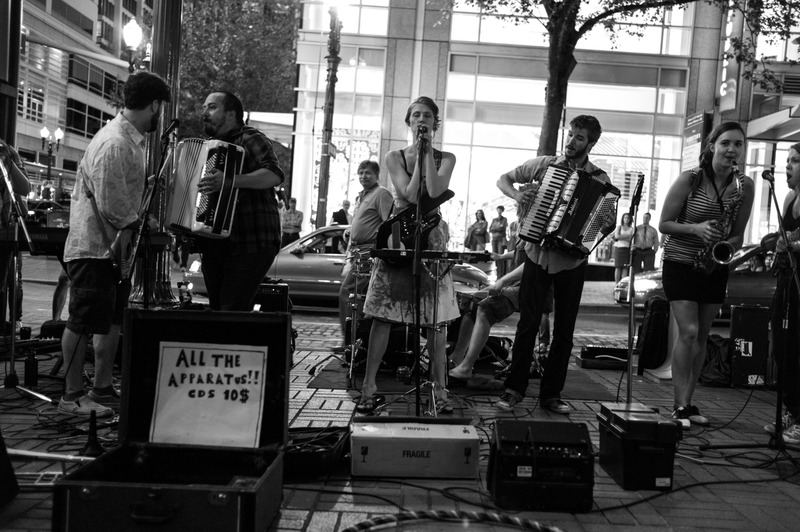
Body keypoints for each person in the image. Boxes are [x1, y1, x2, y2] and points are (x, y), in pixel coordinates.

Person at [59, 72, 171, 417]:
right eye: (160, 109)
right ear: (153, 104)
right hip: (95, 249)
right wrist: (143, 223)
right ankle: (72, 396)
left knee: (108, 322)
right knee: (83, 320)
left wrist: (146, 185)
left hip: (108, 251)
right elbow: (111, 203)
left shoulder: (125, 141)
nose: (160, 116)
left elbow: (117, 190)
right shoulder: (116, 143)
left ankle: (102, 387)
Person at [494, 114, 614, 415]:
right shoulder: (544, 165)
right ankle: (514, 389)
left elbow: (601, 225)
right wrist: (519, 194)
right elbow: (503, 179)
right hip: (537, 253)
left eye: (579, 138)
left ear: (591, 143)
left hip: (571, 260)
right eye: (571, 134)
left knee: (564, 331)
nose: (571, 141)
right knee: (528, 323)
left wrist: (605, 224)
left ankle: (551, 394)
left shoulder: (600, 179)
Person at [356, 96, 458, 414]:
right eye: (416, 115)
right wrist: (419, 153)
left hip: (432, 240)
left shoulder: (448, 157)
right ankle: (369, 387)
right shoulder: (393, 156)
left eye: (427, 115)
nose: (421, 120)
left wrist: (427, 154)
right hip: (399, 237)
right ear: (409, 122)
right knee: (383, 314)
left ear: (435, 123)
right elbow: (410, 194)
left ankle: (439, 390)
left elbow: (436, 192)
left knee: (436, 321)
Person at [659, 121, 754, 428]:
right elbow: (665, 223)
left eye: (738, 144)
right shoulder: (691, 179)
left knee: (701, 335)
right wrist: (696, 229)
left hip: (714, 265)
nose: (732, 149)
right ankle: (677, 404)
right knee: (687, 332)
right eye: (726, 143)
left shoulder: (745, 187)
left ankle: (689, 400)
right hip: (680, 261)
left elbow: (738, 235)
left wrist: (724, 244)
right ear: (713, 145)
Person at [198, 91, 285, 311]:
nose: (204, 112)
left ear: (231, 114)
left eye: (211, 107)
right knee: (218, 307)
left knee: (231, 307)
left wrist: (229, 181)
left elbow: (274, 174)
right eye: (204, 107)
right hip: (215, 241)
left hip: (252, 240)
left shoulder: (250, 138)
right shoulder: (208, 147)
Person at [761, 144, 800, 444]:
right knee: (782, 346)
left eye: (796, 161)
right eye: (787, 160)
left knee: (797, 347)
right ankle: (790, 409)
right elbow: (783, 239)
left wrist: (794, 244)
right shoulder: (789, 197)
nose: (788, 166)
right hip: (786, 279)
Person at [336, 160, 393, 351]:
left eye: (367, 173)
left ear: (377, 175)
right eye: (360, 173)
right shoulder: (362, 196)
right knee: (357, 298)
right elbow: (364, 223)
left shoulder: (381, 194)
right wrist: (350, 232)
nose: (363, 176)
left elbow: (389, 225)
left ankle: (351, 343)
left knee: (348, 293)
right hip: (357, 252)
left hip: (368, 253)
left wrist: (376, 247)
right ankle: (353, 342)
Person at [0, 140, 32, 335]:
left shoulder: (7, 151)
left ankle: (13, 321)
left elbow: (25, 187)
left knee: (11, 281)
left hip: (6, 232)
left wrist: (9, 160)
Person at [612, 212, 634, 283]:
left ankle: (622, 284)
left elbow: (631, 239)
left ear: (630, 219)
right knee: (618, 267)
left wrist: (622, 237)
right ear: (622, 219)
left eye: (628, 218)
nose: (626, 219)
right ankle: (616, 283)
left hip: (627, 249)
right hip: (619, 248)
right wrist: (627, 236)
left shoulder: (631, 228)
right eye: (625, 218)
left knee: (625, 267)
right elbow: (617, 236)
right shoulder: (619, 227)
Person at [490, 205, 509, 276]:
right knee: (494, 256)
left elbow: (502, 228)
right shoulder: (494, 219)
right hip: (494, 239)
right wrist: (497, 228)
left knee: (500, 257)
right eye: (498, 209)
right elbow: (490, 229)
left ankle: (501, 275)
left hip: (501, 240)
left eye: (500, 210)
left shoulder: (504, 219)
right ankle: (498, 274)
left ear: (502, 211)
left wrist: (495, 228)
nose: (499, 211)